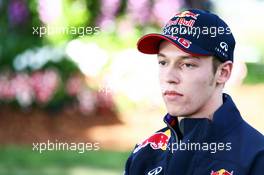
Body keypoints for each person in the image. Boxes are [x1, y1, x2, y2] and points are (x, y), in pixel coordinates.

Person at [124, 9, 264, 175]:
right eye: (163, 62)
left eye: (187, 64)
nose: (169, 77)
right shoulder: (145, 152)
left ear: (223, 72)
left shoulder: (256, 157)